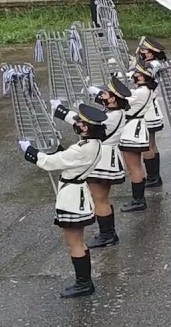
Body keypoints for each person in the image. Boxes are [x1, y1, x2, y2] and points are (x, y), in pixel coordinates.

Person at [18, 103, 108, 298]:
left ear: (90, 128)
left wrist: (30, 152)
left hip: (72, 197)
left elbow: (52, 163)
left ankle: (83, 283)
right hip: (78, 194)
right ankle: (85, 281)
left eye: (83, 124)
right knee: (79, 243)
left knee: (74, 243)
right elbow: (67, 158)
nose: (80, 125)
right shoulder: (93, 144)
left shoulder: (83, 148)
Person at [50, 77, 129, 249]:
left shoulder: (113, 115)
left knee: (99, 199)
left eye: (107, 93)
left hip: (103, 159)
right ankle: (108, 232)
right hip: (106, 156)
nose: (103, 95)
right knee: (102, 199)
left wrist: (61, 111)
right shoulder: (117, 111)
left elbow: (85, 122)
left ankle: (107, 234)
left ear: (114, 98)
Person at [118, 61, 157, 213]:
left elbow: (121, 102)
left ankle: (138, 200)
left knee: (133, 167)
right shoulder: (147, 90)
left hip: (132, 130)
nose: (136, 76)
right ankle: (138, 199)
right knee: (136, 167)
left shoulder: (140, 92)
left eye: (139, 75)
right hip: (139, 128)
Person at [134, 38, 168, 188]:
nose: (142, 53)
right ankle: (154, 176)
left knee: (147, 144)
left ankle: (153, 177)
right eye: (141, 51)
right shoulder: (152, 64)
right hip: (152, 108)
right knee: (151, 143)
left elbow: (139, 76)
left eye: (145, 51)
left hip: (148, 109)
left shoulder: (152, 65)